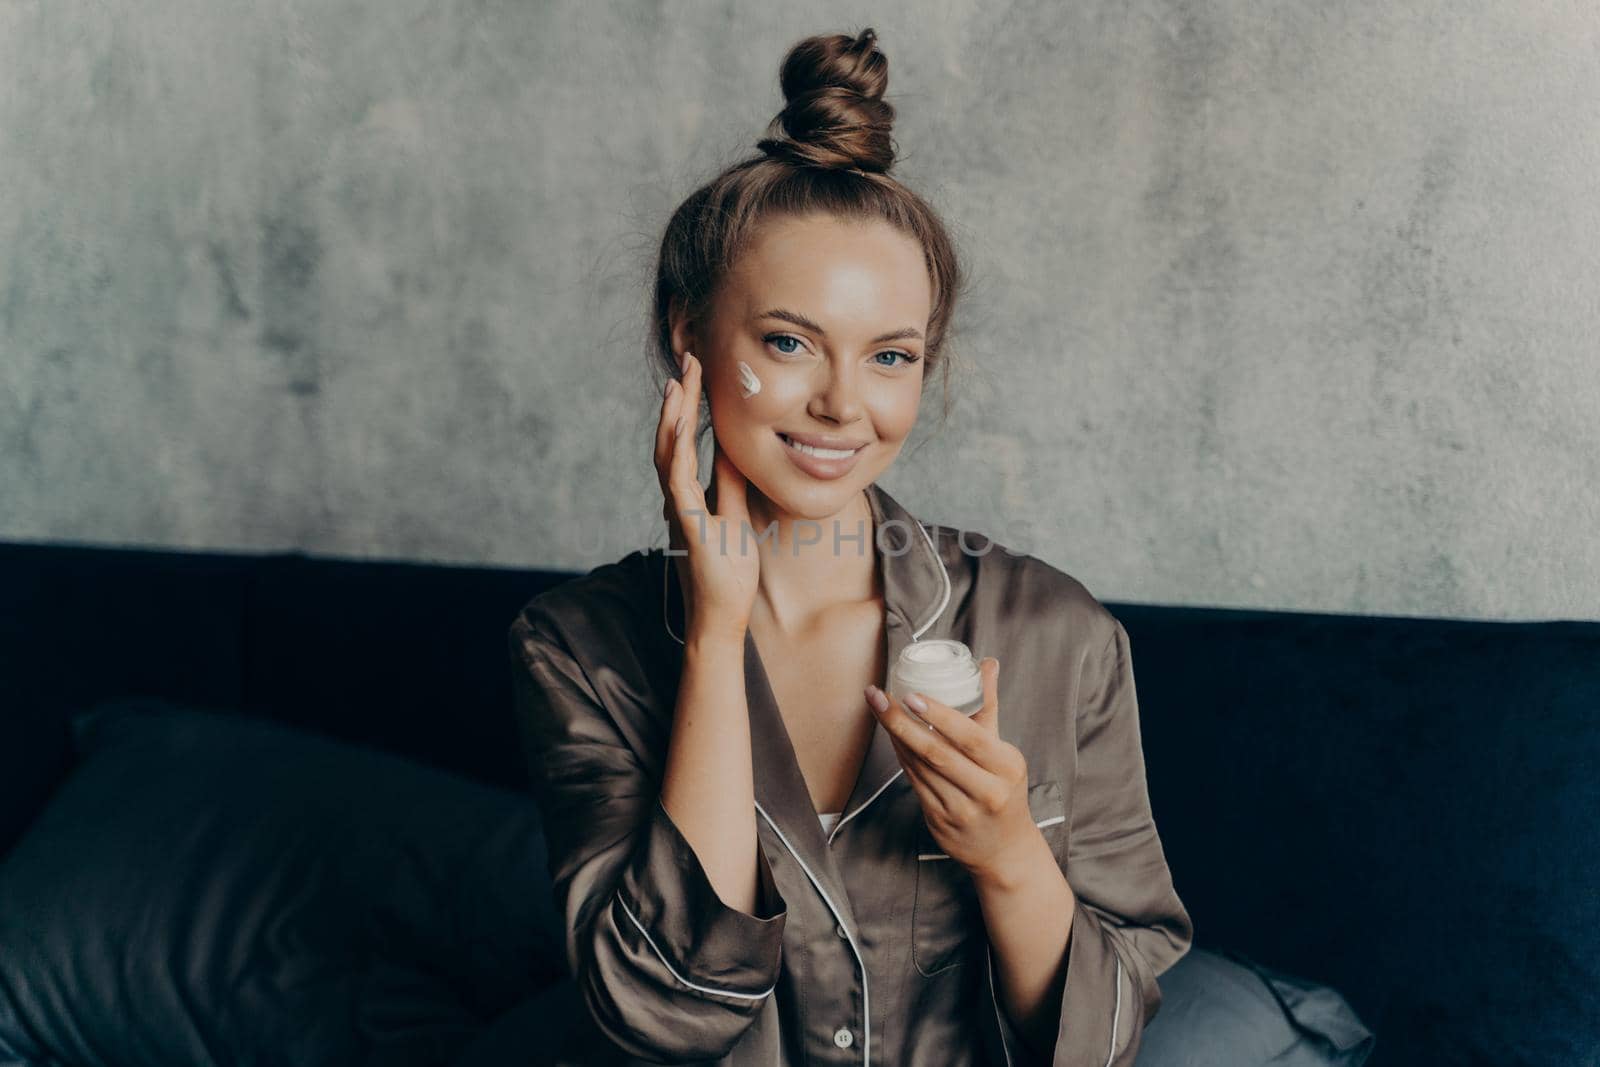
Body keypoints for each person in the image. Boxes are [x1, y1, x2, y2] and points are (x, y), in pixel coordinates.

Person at [507, 27, 1192, 1066]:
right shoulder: (579, 648)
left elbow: (1103, 1039)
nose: (841, 404)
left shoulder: (1056, 633)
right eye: (787, 342)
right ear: (687, 336)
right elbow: (658, 1012)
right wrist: (715, 627)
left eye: (890, 356)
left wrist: (1007, 853)